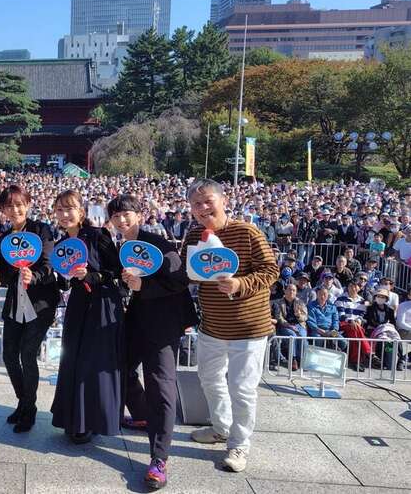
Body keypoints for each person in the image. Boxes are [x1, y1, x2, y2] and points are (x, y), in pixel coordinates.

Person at [182, 179, 278, 473]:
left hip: (249, 328)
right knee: (209, 379)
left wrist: (240, 284)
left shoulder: (247, 231)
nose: (202, 208)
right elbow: (188, 274)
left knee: (242, 389)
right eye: (196, 204)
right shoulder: (194, 235)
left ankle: (239, 444)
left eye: (207, 201)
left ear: (223, 201)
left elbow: (271, 270)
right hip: (212, 325)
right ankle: (221, 427)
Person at [112, 194, 197, 491]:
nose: (121, 220)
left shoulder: (158, 242)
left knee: (160, 383)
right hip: (137, 318)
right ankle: (144, 416)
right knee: (119, 369)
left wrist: (142, 285)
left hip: (163, 322)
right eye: (116, 216)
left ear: (139, 214)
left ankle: (159, 458)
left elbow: (180, 279)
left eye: (126, 214)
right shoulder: (122, 246)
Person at [49, 190, 124, 445]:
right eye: (59, 209)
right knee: (73, 359)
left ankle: (92, 421)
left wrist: (90, 276)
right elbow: (64, 282)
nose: (64, 214)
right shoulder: (60, 245)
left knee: (94, 362)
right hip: (79, 304)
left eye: (69, 208)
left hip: (103, 303)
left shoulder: (97, 235)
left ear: (81, 211)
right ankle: (72, 419)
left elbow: (115, 270)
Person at [0, 185, 59, 433]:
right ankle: (24, 402)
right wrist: (13, 268)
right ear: (3, 210)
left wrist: (35, 275)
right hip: (15, 301)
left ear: (28, 204)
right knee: (9, 354)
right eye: (9, 206)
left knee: (27, 354)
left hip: (40, 302)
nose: (15, 209)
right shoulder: (4, 237)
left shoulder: (41, 230)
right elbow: (2, 273)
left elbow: (48, 264)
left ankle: (28, 408)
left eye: (19, 204)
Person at [270, 283, 308, 371]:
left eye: (293, 290)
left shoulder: (300, 302)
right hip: (285, 325)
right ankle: (293, 359)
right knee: (292, 336)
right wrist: (288, 325)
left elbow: (305, 317)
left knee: (302, 336)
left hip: (299, 324)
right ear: (285, 291)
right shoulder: (279, 302)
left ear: (296, 292)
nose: (291, 292)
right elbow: (279, 317)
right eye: (289, 289)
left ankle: (302, 360)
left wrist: (299, 315)